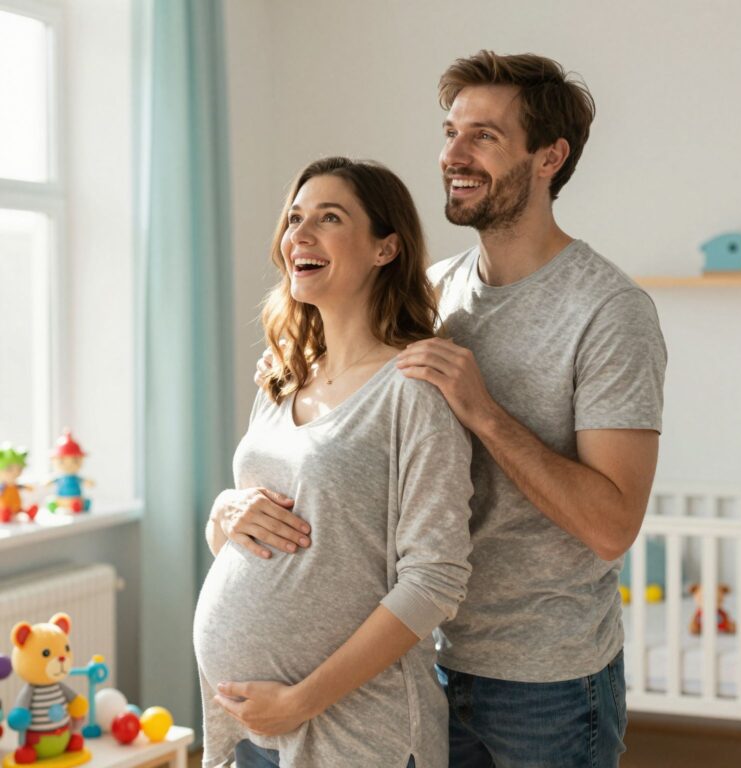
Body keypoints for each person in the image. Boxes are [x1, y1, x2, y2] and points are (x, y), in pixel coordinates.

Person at [240, 52, 666, 767]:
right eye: (450, 132)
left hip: (546, 684)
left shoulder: (609, 311)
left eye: (484, 136)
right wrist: (297, 374)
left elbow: (611, 526)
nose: (452, 156)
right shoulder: (432, 294)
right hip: (423, 660)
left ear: (549, 158)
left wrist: (485, 413)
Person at [193, 157, 473, 768]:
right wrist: (223, 514)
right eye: (295, 218)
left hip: (357, 735)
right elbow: (253, 545)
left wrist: (301, 701)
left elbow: (434, 581)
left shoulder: (413, 387)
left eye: (329, 218)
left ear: (385, 248)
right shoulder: (283, 376)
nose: (300, 234)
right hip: (253, 730)